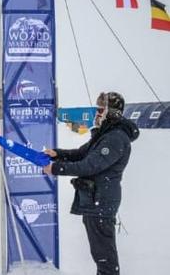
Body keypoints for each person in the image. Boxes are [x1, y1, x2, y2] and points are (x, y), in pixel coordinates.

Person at [43, 92, 139, 275]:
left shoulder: (115, 138)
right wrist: (57, 153)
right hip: (95, 200)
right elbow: (81, 153)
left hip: (101, 203)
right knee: (101, 254)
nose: (96, 114)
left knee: (105, 258)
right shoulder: (105, 134)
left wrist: (55, 169)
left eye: (100, 110)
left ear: (113, 113)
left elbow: (89, 165)